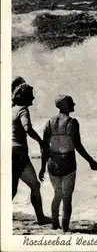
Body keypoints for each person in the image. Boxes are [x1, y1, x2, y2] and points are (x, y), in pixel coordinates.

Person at [40, 95, 97, 232]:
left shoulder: (49, 122)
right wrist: (90, 161)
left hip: (52, 164)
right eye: (71, 103)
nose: (74, 104)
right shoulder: (72, 122)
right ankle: (65, 229)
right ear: (64, 106)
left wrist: (42, 168)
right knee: (67, 198)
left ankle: (54, 225)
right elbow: (78, 145)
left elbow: (45, 148)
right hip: (68, 163)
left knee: (57, 194)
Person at [11, 83, 50, 225]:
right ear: (25, 96)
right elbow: (27, 127)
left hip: (8, 153)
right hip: (19, 153)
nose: (33, 98)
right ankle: (40, 218)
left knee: (12, 189)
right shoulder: (22, 109)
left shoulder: (10, 110)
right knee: (35, 185)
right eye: (31, 95)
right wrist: (40, 141)